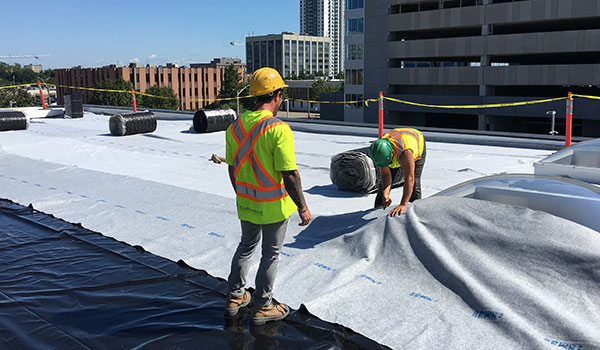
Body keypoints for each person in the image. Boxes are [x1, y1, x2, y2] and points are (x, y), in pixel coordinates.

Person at [224, 67, 311, 325]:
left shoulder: (235, 126)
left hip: (246, 202)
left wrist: (242, 194)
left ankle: (235, 296)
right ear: (275, 95)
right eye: (281, 94)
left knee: (245, 246)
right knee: (270, 254)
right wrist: (303, 208)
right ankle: (262, 305)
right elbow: (290, 174)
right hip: (273, 206)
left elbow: (232, 167)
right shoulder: (279, 129)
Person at [369, 128, 426, 217]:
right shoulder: (380, 151)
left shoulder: (405, 153)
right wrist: (386, 194)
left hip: (416, 140)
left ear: (392, 153)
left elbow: (409, 179)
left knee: (414, 183)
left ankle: (414, 212)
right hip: (398, 141)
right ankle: (377, 210)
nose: (387, 165)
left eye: (388, 162)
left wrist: (403, 204)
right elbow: (386, 174)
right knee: (382, 188)